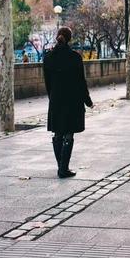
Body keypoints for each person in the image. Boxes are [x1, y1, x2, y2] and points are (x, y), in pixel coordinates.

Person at [43, 27, 94, 178]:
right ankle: (63, 168)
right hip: (72, 99)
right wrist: (88, 101)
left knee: (57, 132)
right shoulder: (75, 57)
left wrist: (52, 96)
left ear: (57, 37)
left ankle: (61, 167)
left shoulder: (48, 57)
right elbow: (81, 82)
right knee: (68, 134)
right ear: (70, 39)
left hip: (56, 99)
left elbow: (47, 82)